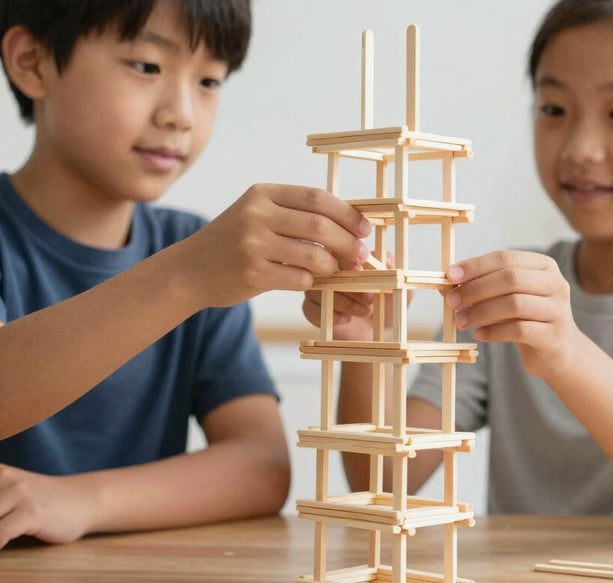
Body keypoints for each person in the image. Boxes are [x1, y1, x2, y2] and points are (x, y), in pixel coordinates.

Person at [303, 0, 613, 540]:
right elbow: (379, 481)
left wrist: (566, 352)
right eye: (553, 109)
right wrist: (371, 344)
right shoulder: (511, 289)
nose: (579, 148)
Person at [0, 0, 372, 548]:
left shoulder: (193, 248)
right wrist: (186, 277)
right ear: (32, 62)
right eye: (147, 66)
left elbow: (261, 466)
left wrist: (78, 499)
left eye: (210, 81)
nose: (182, 114)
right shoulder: (195, 261)